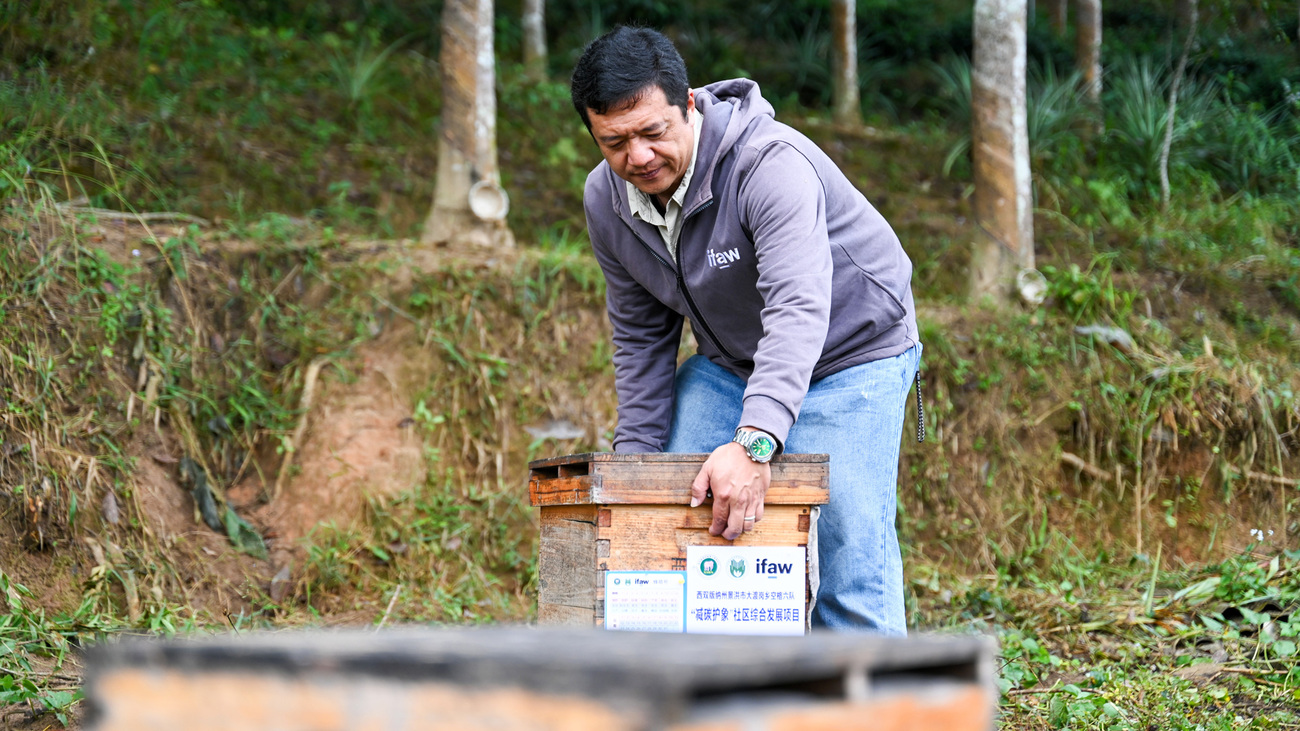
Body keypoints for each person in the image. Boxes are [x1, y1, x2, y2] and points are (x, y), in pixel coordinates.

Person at [570, 26, 921, 634]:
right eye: (615, 142)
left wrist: (756, 441)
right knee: (673, 496)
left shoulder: (768, 166)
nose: (639, 158)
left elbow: (797, 305)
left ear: (688, 105)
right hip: (733, 362)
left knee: (847, 550)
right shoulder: (607, 201)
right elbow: (641, 337)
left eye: (653, 133)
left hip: (852, 350)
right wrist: (634, 471)